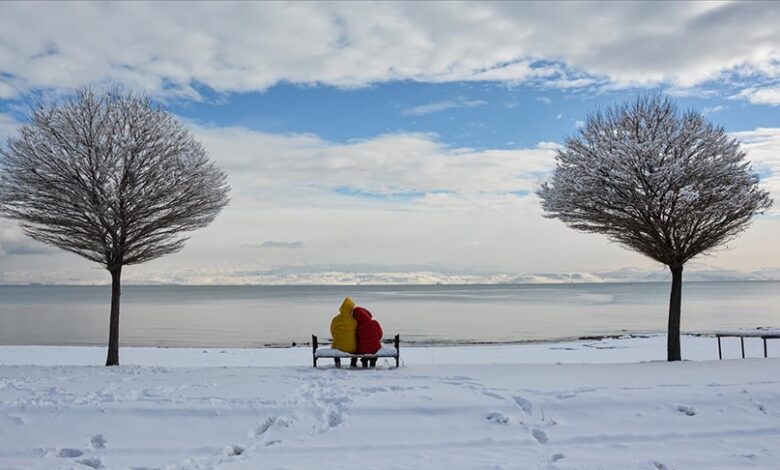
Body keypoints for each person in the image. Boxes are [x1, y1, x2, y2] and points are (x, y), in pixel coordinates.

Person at [330, 297, 358, 367]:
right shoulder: (354, 321)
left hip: (338, 347)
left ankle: (337, 362)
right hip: (352, 348)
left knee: (335, 347)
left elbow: (332, 331)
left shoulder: (335, 319)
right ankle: (353, 363)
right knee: (356, 348)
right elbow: (356, 333)